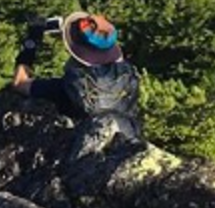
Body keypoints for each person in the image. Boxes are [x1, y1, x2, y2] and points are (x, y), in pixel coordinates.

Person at [11, 11, 141, 141]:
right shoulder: (127, 74)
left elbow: (19, 83)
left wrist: (31, 42)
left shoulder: (71, 85)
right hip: (127, 136)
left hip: (87, 142)